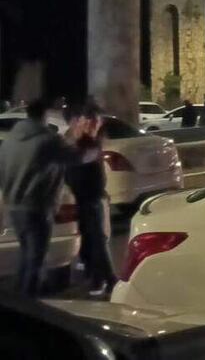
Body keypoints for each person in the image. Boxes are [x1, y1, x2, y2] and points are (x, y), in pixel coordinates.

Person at [0, 99, 100, 296]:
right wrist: (94, 148)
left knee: (27, 254)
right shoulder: (47, 140)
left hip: (13, 206)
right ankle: (29, 302)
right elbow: (77, 158)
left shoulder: (11, 140)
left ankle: (20, 296)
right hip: (36, 206)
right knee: (36, 258)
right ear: (44, 115)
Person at [64, 105, 117, 296]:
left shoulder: (89, 145)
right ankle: (99, 278)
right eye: (89, 121)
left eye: (96, 122)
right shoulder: (79, 142)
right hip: (83, 198)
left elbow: (82, 166)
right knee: (90, 240)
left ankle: (107, 280)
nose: (93, 125)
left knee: (96, 240)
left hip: (91, 198)